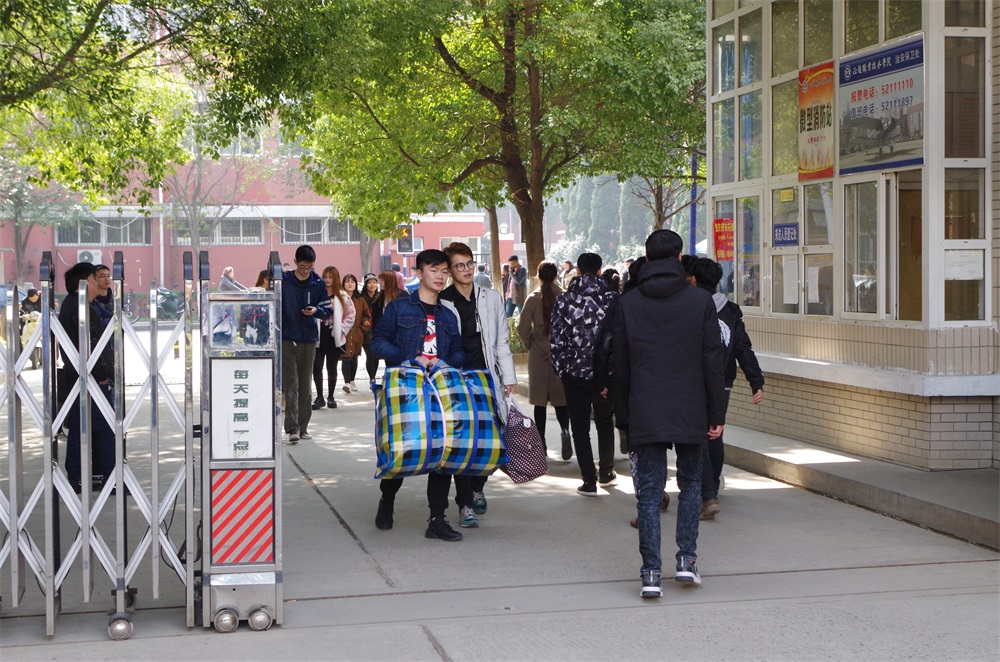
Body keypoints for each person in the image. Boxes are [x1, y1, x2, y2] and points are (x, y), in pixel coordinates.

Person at [613, 229, 726, 598]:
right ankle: (686, 561)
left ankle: (650, 574)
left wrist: (623, 415)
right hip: (691, 405)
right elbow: (712, 360)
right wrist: (716, 412)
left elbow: (620, 365)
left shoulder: (628, 303)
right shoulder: (700, 301)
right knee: (691, 484)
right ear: (680, 258)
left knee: (648, 492)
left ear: (646, 259)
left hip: (645, 405)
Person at [370, 249, 466, 541]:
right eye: (434, 270)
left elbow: (460, 351)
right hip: (406, 390)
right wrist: (410, 358)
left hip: (439, 391)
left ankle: (437, 519)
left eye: (444, 271)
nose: (440, 276)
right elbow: (377, 342)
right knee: (404, 449)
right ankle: (387, 499)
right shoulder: (400, 308)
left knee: (442, 452)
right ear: (419, 272)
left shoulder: (448, 314)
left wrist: (444, 362)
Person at [440, 242, 517, 529]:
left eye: (470, 263)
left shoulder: (491, 297)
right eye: (459, 265)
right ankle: (465, 505)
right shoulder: (442, 300)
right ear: (450, 270)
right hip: (455, 380)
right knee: (461, 443)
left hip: (486, 377)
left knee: (491, 441)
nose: (467, 269)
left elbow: (501, 341)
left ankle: (477, 486)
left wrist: (508, 377)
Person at [692, 257, 764, 521]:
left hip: (695, 381)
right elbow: (742, 346)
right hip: (723, 381)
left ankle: (707, 492)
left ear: (694, 280)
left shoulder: (690, 306)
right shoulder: (731, 309)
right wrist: (756, 380)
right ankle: (712, 489)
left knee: (697, 435)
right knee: (715, 433)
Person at [549, 252, 619, 496]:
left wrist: (561, 368)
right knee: (604, 421)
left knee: (579, 427)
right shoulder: (612, 298)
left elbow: (556, 338)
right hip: (605, 372)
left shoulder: (564, 300)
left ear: (577, 270)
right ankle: (606, 471)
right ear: (600, 270)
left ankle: (588, 480)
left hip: (574, 371)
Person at [57, 262, 116, 493]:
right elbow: (88, 347)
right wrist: (101, 375)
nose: (99, 281)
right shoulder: (79, 308)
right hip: (88, 379)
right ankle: (108, 479)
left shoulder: (79, 305)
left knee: (83, 428)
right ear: (84, 282)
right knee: (104, 428)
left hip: (83, 378)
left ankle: (82, 477)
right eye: (95, 277)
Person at [517, 261, 571, 459]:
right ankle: (565, 431)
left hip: (538, 351)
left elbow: (522, 327)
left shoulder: (533, 298)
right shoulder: (565, 297)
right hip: (560, 351)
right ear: (556, 276)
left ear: (538, 277)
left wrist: (531, 343)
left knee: (539, 402)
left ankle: (541, 443)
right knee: (561, 399)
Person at [281, 245, 332, 443]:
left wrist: (316, 311)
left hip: (309, 339)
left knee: (305, 384)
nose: (306, 271)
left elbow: (327, 310)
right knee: (291, 384)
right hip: (287, 337)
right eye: (303, 267)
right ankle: (292, 427)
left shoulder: (318, 282)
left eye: (310, 267)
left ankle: (303, 427)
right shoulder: (284, 281)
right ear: (295, 262)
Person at [313, 266, 355, 410]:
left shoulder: (342, 296)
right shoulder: (318, 294)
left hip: (334, 336)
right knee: (317, 366)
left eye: (330, 277)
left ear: (335, 279)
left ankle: (331, 396)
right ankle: (319, 397)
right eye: (325, 277)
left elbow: (351, 315)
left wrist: (342, 329)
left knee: (332, 367)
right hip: (318, 336)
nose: (327, 280)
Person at [340, 273, 370, 393]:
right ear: (343, 284)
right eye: (347, 281)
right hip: (344, 332)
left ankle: (352, 380)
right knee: (346, 357)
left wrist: (364, 326)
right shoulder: (340, 298)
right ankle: (346, 382)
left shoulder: (360, 300)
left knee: (354, 357)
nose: (350, 284)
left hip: (357, 333)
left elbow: (366, 315)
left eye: (352, 282)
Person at [360, 273, 381, 381]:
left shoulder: (380, 297)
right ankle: (372, 378)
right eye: (369, 283)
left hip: (378, 330)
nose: (372, 285)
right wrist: (364, 320)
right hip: (366, 330)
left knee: (375, 356)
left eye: (374, 282)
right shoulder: (361, 298)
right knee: (370, 354)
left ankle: (373, 377)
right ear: (365, 284)